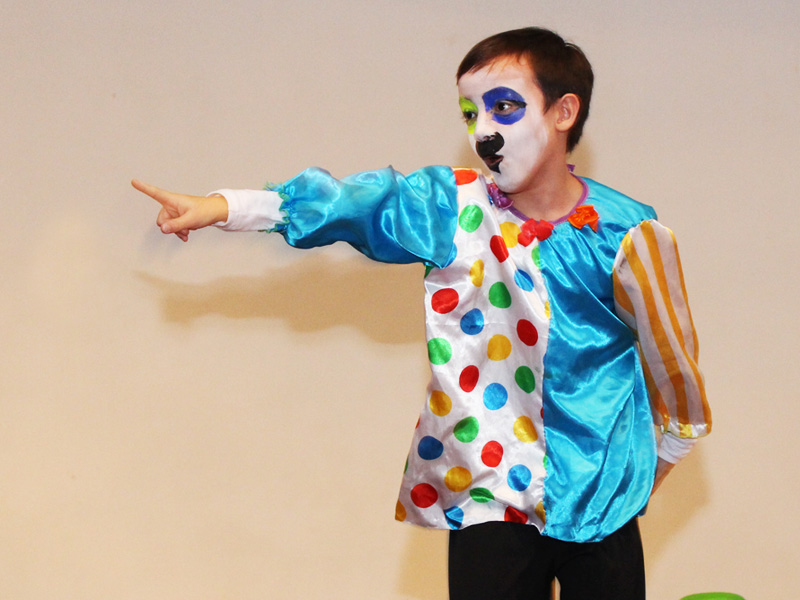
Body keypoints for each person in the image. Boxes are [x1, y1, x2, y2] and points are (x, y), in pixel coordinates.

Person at [133, 27, 710, 600]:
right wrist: (224, 206)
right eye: (471, 114)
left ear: (563, 112)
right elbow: (354, 204)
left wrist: (653, 463)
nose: (483, 132)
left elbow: (672, 359)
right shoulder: (452, 209)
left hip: (600, 499)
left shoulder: (627, 231)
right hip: (490, 491)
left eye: (505, 108)